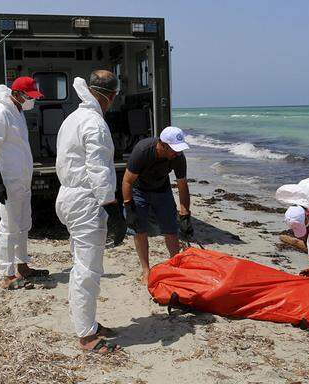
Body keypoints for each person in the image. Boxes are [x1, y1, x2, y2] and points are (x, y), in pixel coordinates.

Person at [55, 71, 126, 354]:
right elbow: (97, 169)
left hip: (69, 195)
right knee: (88, 268)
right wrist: (113, 207)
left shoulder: (72, 118)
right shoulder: (95, 123)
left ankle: (88, 324)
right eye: (114, 96)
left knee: (82, 264)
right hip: (86, 200)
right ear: (107, 95)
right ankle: (85, 335)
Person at [0, 77, 47, 290]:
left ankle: (22, 266)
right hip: (7, 180)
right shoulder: (0, 113)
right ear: (17, 94)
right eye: (29, 97)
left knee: (23, 223)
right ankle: (6, 274)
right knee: (8, 228)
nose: (31, 101)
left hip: (21, 179)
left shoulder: (18, 111)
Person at [122, 126, 192, 284]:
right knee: (140, 230)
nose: (178, 153)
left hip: (162, 189)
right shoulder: (142, 151)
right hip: (139, 190)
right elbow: (127, 181)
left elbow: (182, 185)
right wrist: (129, 206)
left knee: (171, 229)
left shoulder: (178, 157)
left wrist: (185, 214)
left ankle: (175, 265)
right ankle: (146, 270)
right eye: (174, 149)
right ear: (163, 145)